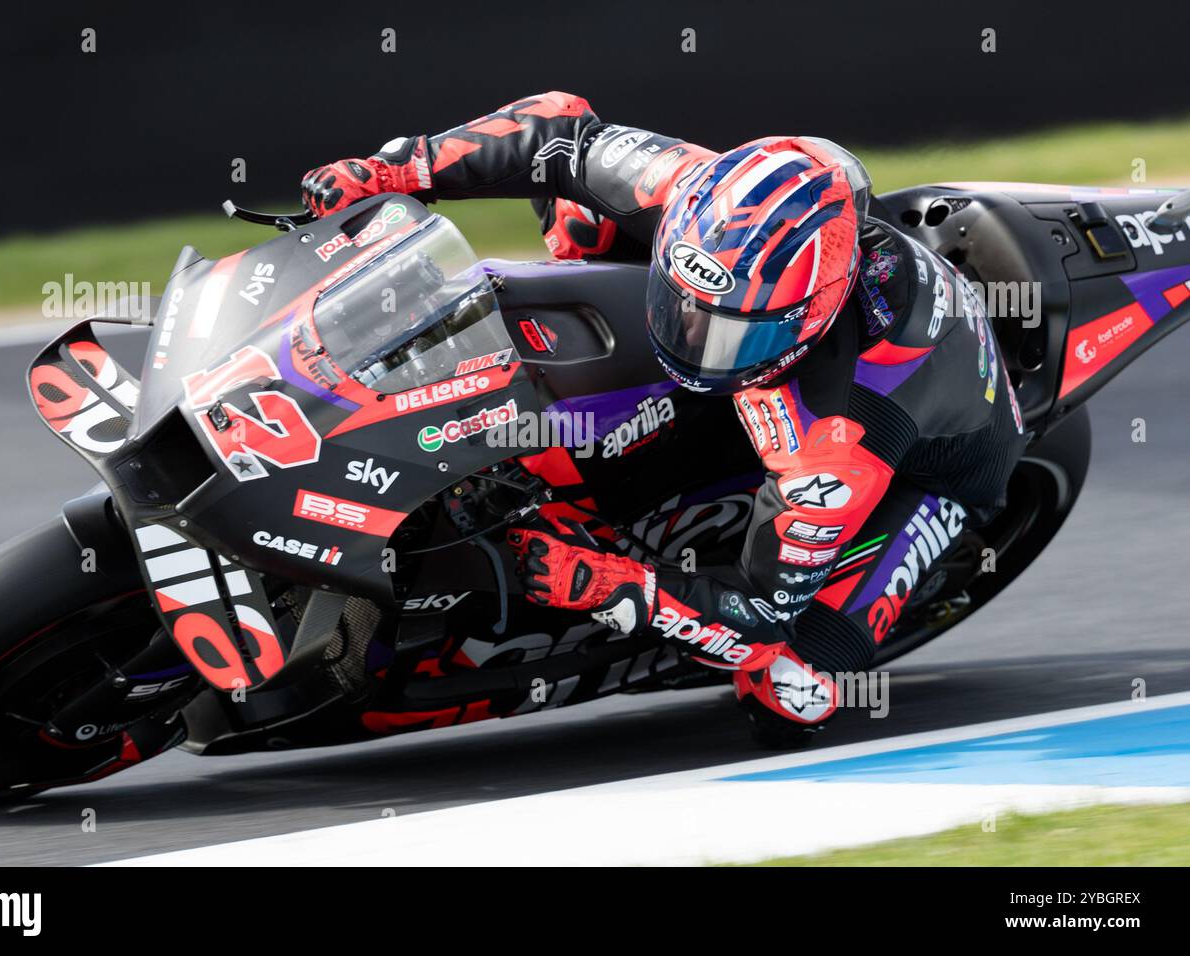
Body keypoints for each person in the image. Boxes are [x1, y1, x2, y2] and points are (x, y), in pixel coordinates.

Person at [301, 91, 1027, 746]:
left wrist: (601, 581)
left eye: (735, 334)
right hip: (788, 349)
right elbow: (558, 130)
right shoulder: (699, 193)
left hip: (941, 468)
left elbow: (758, 616)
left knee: (792, 687)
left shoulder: (837, 441)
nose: (697, 341)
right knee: (585, 209)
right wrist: (392, 171)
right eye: (688, 310)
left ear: (810, 316)